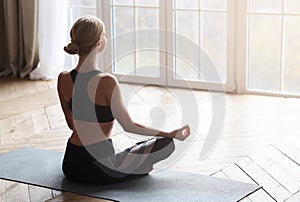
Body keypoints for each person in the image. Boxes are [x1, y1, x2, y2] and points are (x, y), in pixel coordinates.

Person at [57, 15, 190, 185]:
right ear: (99, 43)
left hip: (71, 166)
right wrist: (170, 133)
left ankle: (133, 168)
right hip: (101, 168)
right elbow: (129, 126)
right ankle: (136, 169)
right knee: (165, 144)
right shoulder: (106, 82)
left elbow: (72, 125)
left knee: (136, 149)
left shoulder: (63, 78)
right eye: (103, 35)